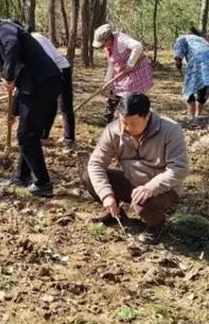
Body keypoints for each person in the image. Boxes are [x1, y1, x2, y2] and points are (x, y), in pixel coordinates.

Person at [81, 93, 189, 244]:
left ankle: (156, 224)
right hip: (131, 181)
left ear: (147, 116)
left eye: (134, 124)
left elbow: (179, 168)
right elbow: (96, 164)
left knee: (142, 202)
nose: (127, 128)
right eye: (124, 122)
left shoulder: (170, 129)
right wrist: (106, 195)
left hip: (163, 189)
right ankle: (115, 212)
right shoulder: (113, 130)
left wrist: (151, 187)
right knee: (88, 176)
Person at [0, 18, 62, 197]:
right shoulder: (12, 31)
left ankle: (42, 183)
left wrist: (8, 75)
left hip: (43, 83)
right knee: (28, 134)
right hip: (39, 84)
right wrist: (14, 111)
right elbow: (22, 74)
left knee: (25, 135)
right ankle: (21, 176)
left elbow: (11, 44)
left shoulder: (4, 29)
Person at [92, 24, 154, 124]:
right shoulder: (108, 48)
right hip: (122, 73)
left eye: (103, 44)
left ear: (108, 39)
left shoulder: (121, 40)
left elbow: (138, 46)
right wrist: (106, 81)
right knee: (115, 92)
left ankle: (129, 120)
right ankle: (108, 117)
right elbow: (111, 65)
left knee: (128, 97)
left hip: (136, 71)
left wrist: (130, 63)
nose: (102, 47)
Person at [30, 32, 75, 148]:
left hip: (61, 69)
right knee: (49, 104)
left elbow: (49, 59)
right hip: (50, 72)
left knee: (64, 105)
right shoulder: (28, 39)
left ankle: (69, 139)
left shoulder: (34, 39)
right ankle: (43, 136)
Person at [174, 27, 209, 120]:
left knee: (188, 89)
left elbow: (178, 53)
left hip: (197, 59)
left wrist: (178, 62)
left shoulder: (183, 38)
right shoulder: (202, 39)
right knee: (203, 87)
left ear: (188, 32)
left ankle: (192, 116)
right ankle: (197, 115)